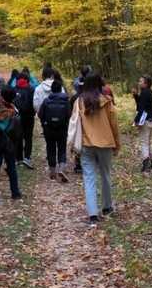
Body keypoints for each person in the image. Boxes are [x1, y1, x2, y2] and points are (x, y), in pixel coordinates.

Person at [74, 73, 120, 226]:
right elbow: (114, 125)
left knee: (89, 178)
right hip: (106, 143)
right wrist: (117, 144)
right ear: (99, 84)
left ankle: (93, 214)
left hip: (87, 144)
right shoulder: (107, 102)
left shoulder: (79, 102)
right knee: (106, 175)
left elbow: (75, 123)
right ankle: (107, 207)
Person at [0, 85, 23, 202]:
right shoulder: (14, 111)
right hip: (10, 143)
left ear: (2, 95)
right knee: (12, 168)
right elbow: (18, 131)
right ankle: (15, 192)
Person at [38, 74, 71, 182]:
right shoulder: (66, 100)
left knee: (50, 148)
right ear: (61, 89)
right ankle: (61, 168)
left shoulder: (47, 101)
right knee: (62, 148)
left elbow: (40, 114)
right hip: (62, 128)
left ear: (52, 90)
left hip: (49, 129)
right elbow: (69, 114)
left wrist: (44, 123)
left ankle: (52, 171)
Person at [133, 76, 152, 173]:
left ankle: (145, 162)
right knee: (149, 142)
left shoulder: (144, 93)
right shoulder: (150, 92)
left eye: (140, 81)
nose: (139, 82)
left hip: (146, 121)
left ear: (146, 83)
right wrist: (136, 96)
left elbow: (141, 108)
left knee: (144, 142)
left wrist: (136, 121)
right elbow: (142, 104)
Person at [12, 70, 36, 167]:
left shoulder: (14, 89)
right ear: (27, 79)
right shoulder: (31, 89)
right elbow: (34, 103)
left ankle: (18, 158)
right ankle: (27, 157)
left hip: (17, 117)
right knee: (28, 137)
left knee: (18, 137)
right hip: (29, 116)